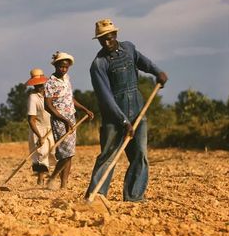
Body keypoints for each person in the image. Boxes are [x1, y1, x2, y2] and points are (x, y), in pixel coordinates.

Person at [84, 19, 168, 202]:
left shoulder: (129, 48)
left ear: (115, 34)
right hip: (113, 118)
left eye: (109, 37)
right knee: (108, 156)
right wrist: (123, 121)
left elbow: (143, 62)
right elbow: (106, 99)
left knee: (140, 155)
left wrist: (157, 72)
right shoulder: (98, 65)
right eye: (102, 40)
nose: (107, 42)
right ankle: (96, 196)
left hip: (138, 109)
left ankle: (134, 196)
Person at [44, 52, 94, 189]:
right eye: (61, 67)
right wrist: (64, 120)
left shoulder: (66, 78)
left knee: (70, 153)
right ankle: (53, 177)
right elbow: (47, 105)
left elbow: (69, 99)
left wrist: (84, 109)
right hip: (59, 120)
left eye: (66, 67)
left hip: (71, 117)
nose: (63, 69)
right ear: (55, 66)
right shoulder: (50, 83)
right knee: (64, 153)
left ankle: (63, 185)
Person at [25, 68, 55, 185]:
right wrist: (39, 136)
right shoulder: (33, 97)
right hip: (38, 130)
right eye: (37, 84)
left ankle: (52, 178)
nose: (40, 86)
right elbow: (31, 120)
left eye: (41, 83)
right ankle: (40, 180)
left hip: (52, 129)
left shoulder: (50, 94)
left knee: (54, 153)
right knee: (41, 155)